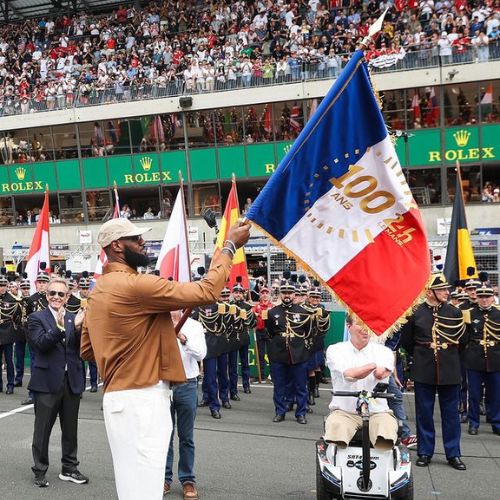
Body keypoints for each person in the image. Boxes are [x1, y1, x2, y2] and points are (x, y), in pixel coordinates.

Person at [81, 217, 250, 500]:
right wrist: (230, 246)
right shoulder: (135, 285)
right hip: (142, 400)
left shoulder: (97, 291)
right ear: (117, 246)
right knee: (145, 491)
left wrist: (142, 337)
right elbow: (207, 291)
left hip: (118, 401)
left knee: (132, 488)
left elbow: (87, 351)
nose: (143, 242)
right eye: (136, 239)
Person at [401, 273, 467, 470]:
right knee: (424, 412)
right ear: (430, 292)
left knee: (451, 414)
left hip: (450, 368)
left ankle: (453, 453)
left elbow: (462, 341)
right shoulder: (415, 313)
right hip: (424, 368)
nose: (447, 292)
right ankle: (425, 451)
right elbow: (407, 342)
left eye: (447, 289)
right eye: (442, 289)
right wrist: (422, 354)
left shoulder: (454, 313)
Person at [27, 277, 87, 487]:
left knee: (70, 430)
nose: (56, 297)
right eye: (52, 293)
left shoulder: (74, 318)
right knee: (42, 430)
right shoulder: (36, 317)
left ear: (67, 296)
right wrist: (60, 327)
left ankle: (69, 468)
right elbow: (40, 344)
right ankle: (40, 470)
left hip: (71, 381)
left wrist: (79, 329)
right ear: (46, 295)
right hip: (46, 383)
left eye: (61, 294)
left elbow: (81, 349)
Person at [324, 314, 398, 450]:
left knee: (386, 440)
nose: (365, 329)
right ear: (348, 326)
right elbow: (350, 375)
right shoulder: (335, 349)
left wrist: (375, 369)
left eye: (368, 325)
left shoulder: (384, 351)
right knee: (336, 439)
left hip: (378, 412)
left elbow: (380, 374)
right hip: (344, 411)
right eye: (360, 324)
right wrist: (372, 365)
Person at [164, 312, 207, 500]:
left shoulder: (194, 326)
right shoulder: (158, 321)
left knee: (186, 437)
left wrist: (183, 338)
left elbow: (201, 353)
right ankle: (164, 478)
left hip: (187, 383)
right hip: (163, 384)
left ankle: (187, 479)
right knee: (164, 435)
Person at [265, 278, 313, 424]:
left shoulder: (304, 312)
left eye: (290, 292)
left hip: (298, 355)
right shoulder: (272, 312)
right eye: (284, 292)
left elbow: (309, 333)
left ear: (294, 294)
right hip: (279, 354)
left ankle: (301, 413)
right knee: (279, 386)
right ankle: (280, 412)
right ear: (280, 294)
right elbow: (270, 332)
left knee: (300, 386)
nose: (287, 295)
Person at [463, 285, 500, 436]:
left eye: (487, 297)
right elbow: (464, 338)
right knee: (474, 394)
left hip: (496, 359)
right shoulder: (469, 314)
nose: (484, 300)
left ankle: (496, 422)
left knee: (496, 394)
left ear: (492, 298)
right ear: (477, 298)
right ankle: (474, 422)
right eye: (481, 297)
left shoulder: (498, 314)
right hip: (474, 359)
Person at [228, 279, 256, 399]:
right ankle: (233, 389)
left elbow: (253, 323)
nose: (238, 294)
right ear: (233, 293)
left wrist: (250, 316)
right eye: (236, 292)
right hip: (233, 338)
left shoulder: (247, 306)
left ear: (243, 293)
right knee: (233, 366)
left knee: (245, 363)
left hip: (244, 336)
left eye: (240, 292)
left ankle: (246, 385)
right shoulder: (228, 306)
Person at [0, 271, 22, 395]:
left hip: (7, 331)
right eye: (0, 285)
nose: (2, 288)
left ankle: (10, 385)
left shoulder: (12, 299)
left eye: (3, 285)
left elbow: (18, 316)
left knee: (9, 361)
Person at [252, 285, 273, 381]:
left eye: (266, 293)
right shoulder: (256, 306)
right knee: (260, 354)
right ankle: (261, 375)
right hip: (259, 331)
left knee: (271, 354)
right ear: (260, 295)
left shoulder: (272, 306)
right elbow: (252, 317)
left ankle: (272, 375)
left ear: (269, 295)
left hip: (269, 332)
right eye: (263, 293)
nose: (264, 295)